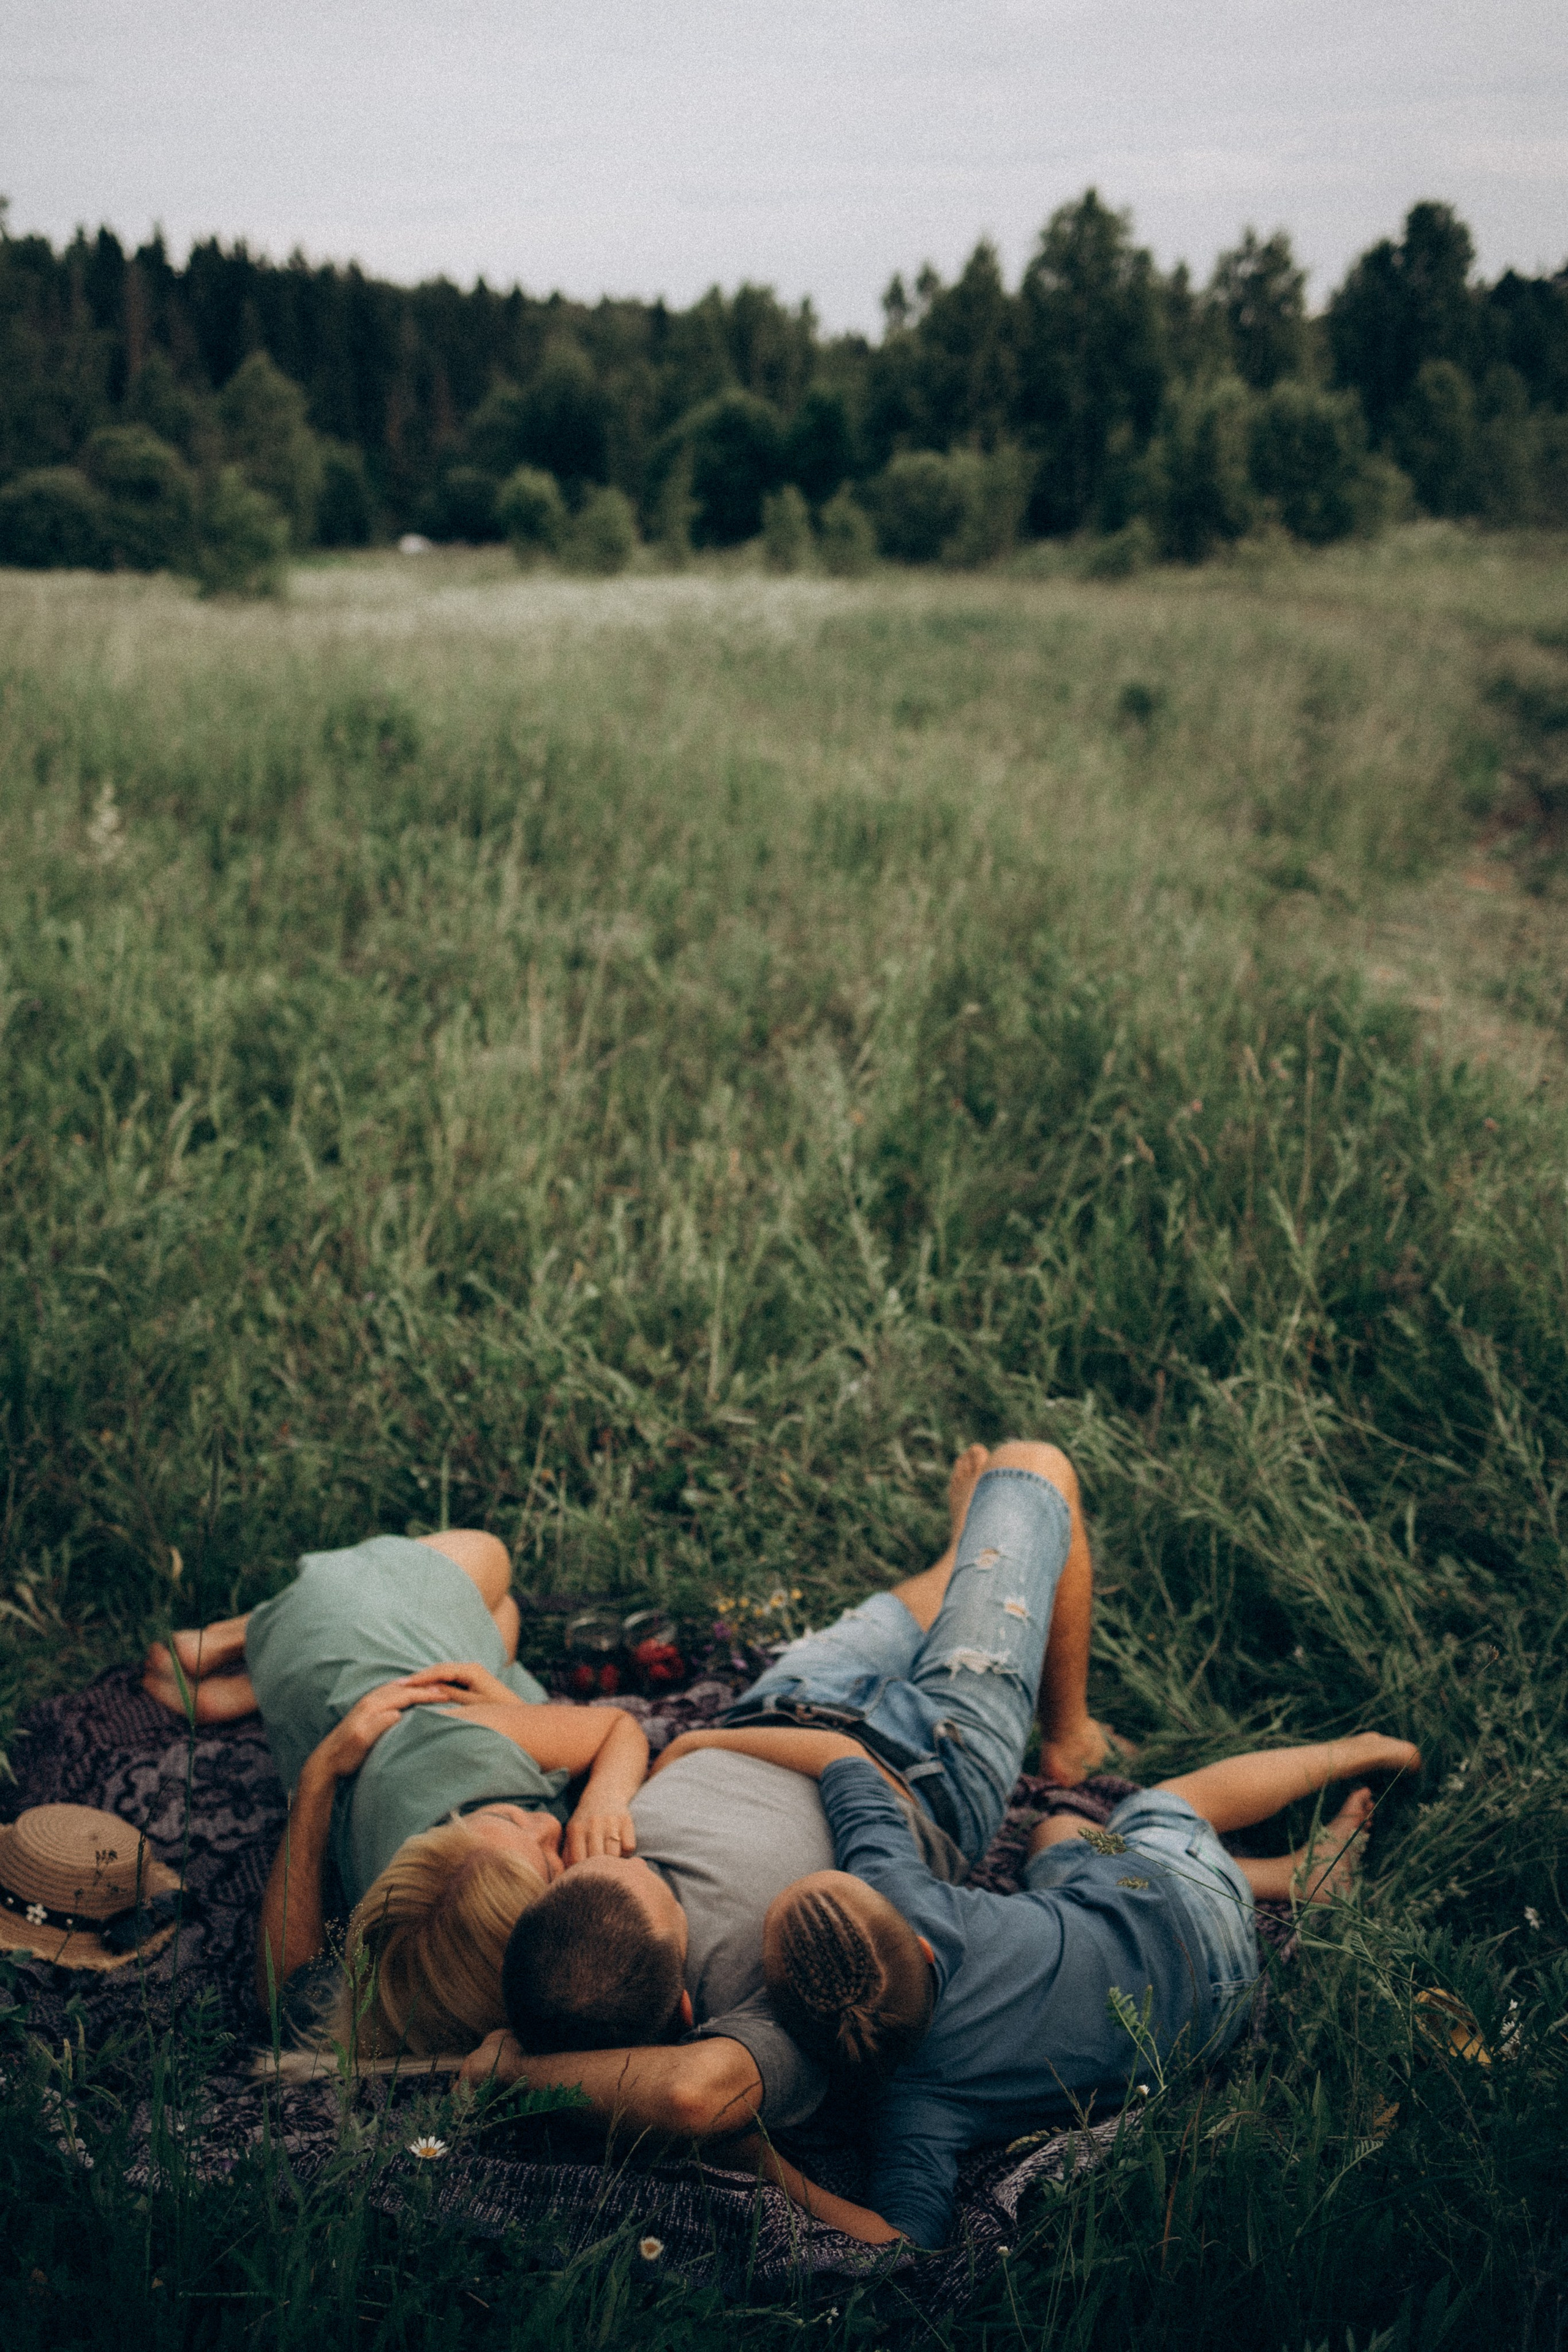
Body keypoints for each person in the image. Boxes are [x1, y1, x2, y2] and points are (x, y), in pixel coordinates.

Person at [463, 1440, 1128, 2143]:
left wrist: (632, 1779)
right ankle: (1070, 1738)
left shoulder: (576, 1928)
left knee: (955, 1578)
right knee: (1034, 1469)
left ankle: (964, 1546)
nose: (631, 1852)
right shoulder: (763, 2005)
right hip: (935, 1758)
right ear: (688, 2011)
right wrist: (511, 2076)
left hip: (784, 1703)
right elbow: (693, 2096)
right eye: (644, 1868)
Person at [665, 1721, 1420, 2248]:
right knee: (1119, 1817)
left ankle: (1283, 1879)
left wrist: (767, 2168)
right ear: (918, 1934)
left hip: (1208, 2019)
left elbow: (903, 2243)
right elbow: (841, 1757)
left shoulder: (916, 2110)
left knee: (1060, 1842)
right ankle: (1351, 1754)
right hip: (1161, 1891)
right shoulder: (908, 1888)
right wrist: (701, 1741)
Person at [142, 1528, 649, 2055]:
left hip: (336, 1627)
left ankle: (249, 1633)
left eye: (520, 1823)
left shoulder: (463, 1758)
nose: (549, 1825)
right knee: (501, 1623)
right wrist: (593, 1787)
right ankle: (258, 1657)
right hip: (350, 1687)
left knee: (490, 1558)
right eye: (543, 1852)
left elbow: (617, 1730)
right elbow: (286, 2004)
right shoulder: (409, 1971)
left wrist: (319, 1779)